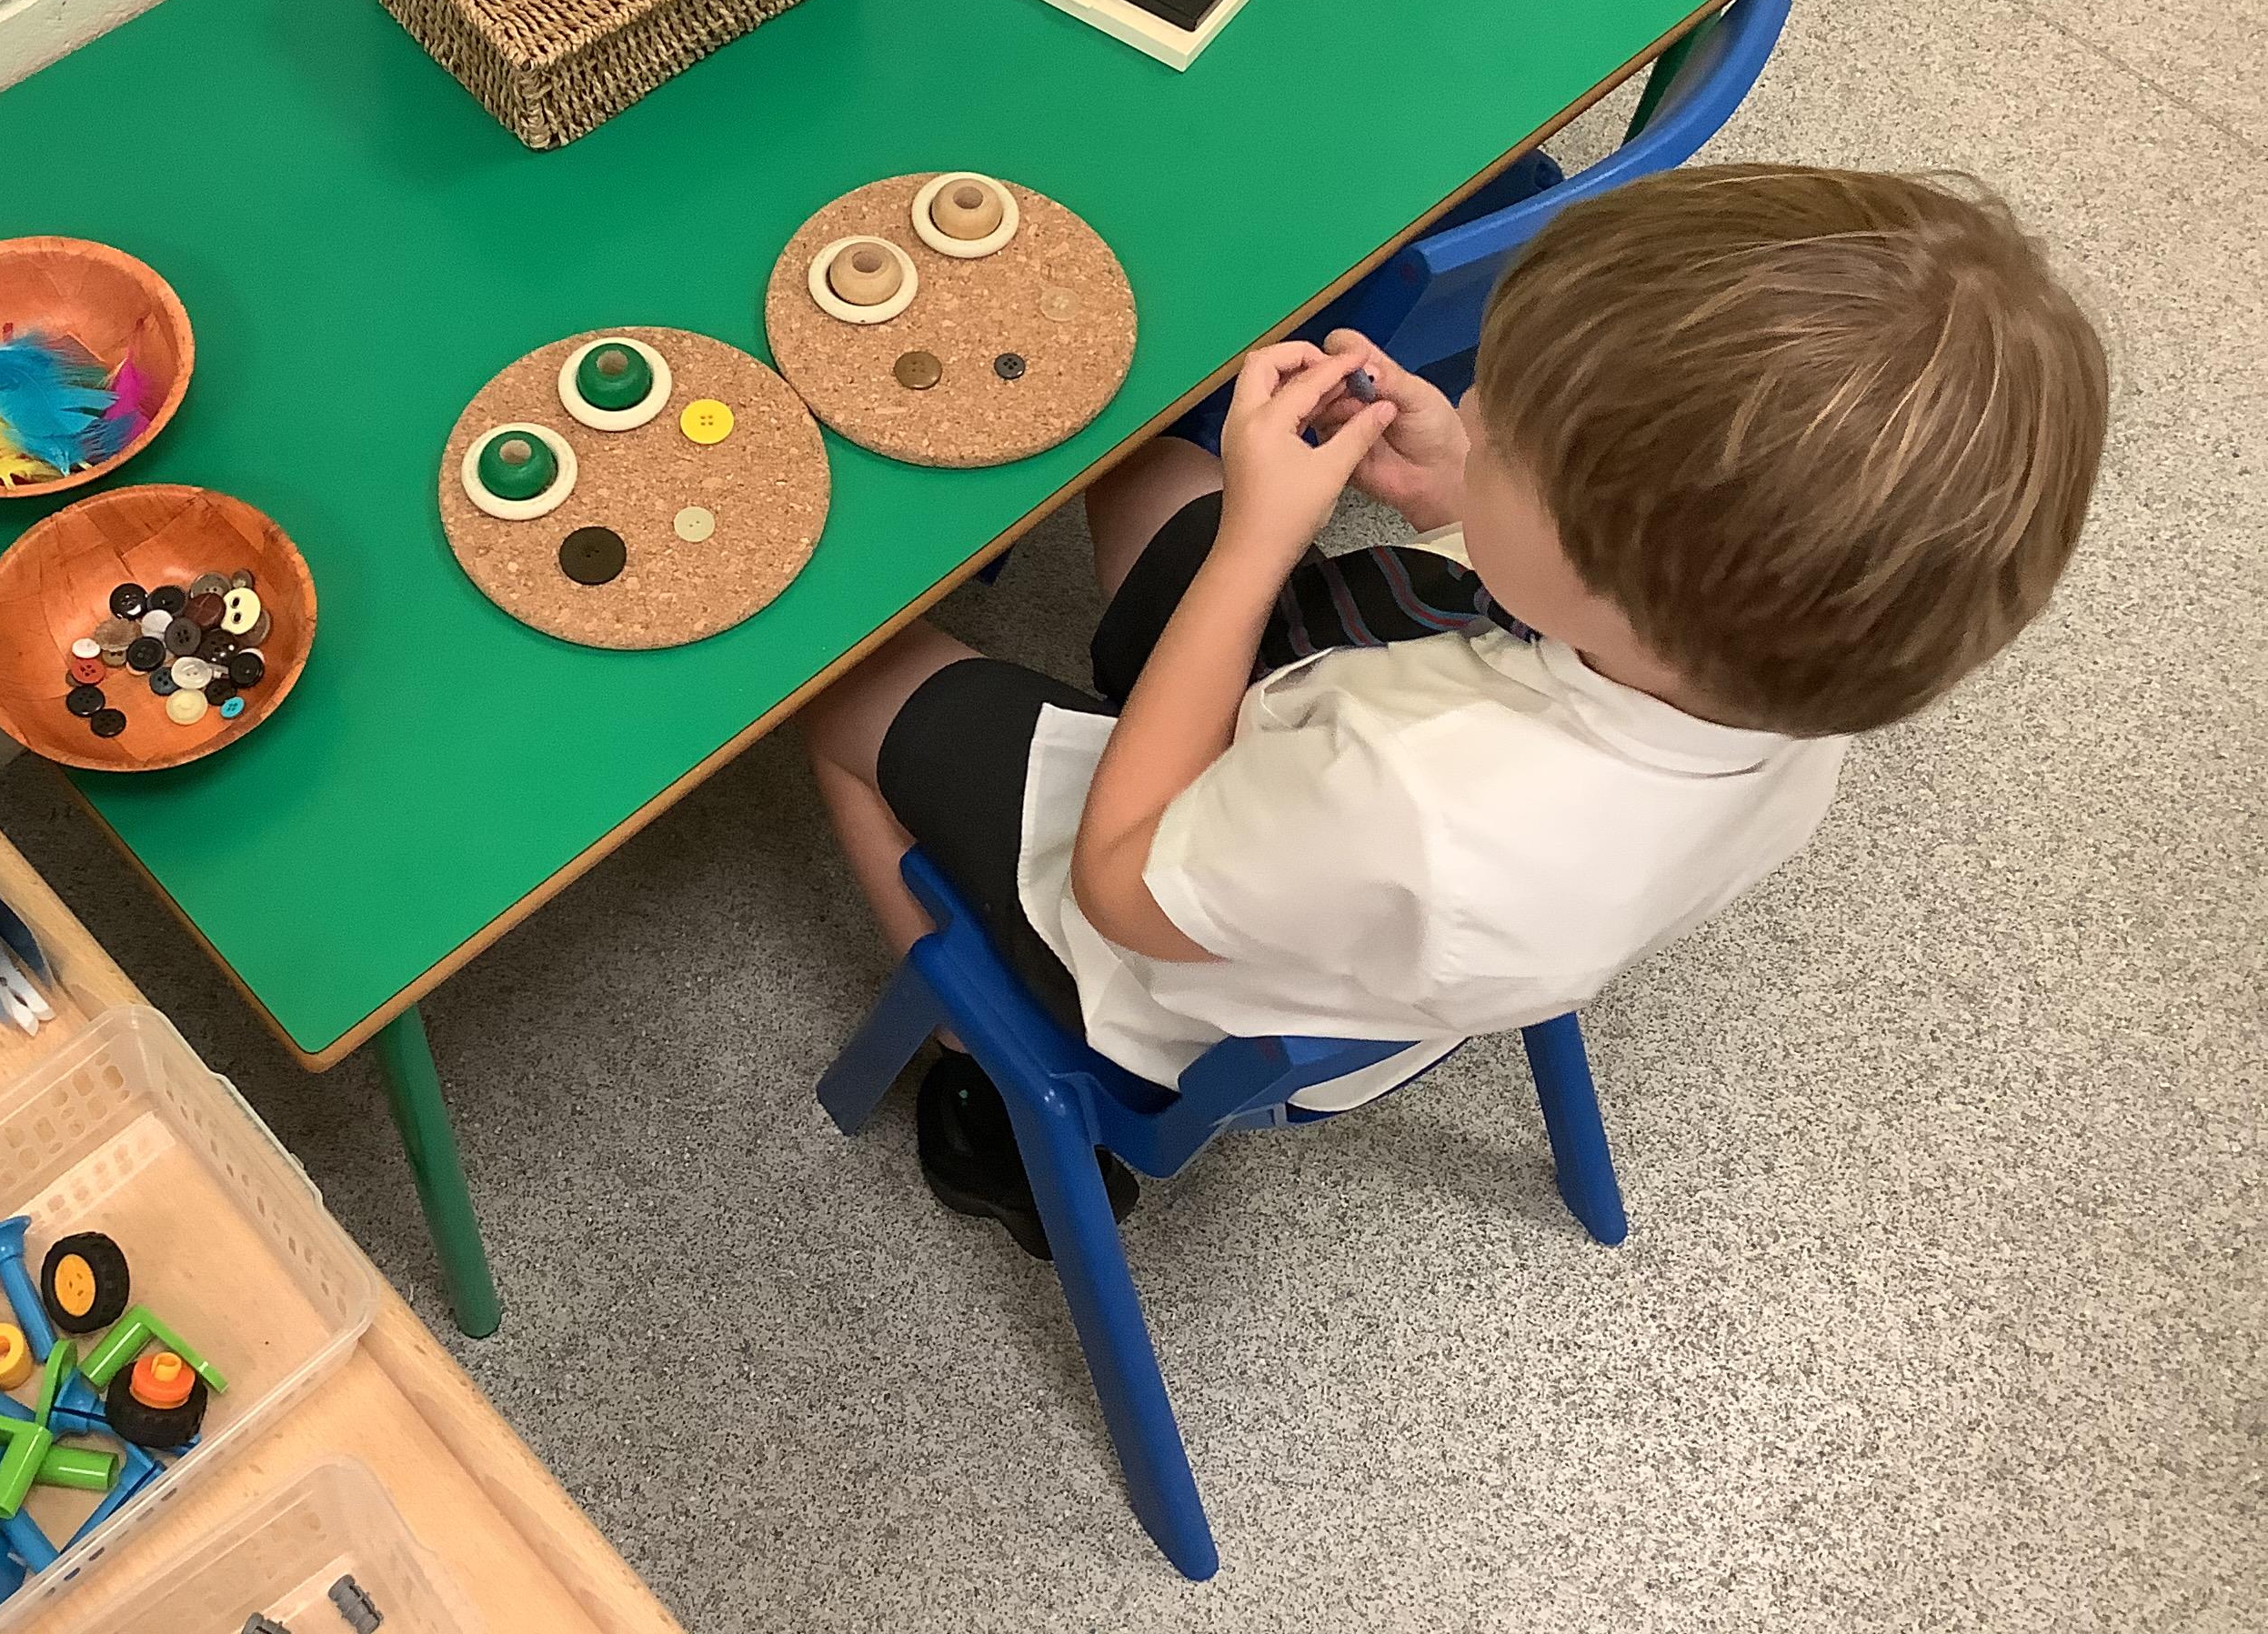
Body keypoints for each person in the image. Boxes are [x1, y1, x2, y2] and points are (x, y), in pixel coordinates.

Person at [800, 165, 2110, 1251]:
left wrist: (1257, 548)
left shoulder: (1415, 803)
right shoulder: (1781, 694)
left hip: (1160, 946)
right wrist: (1458, 495)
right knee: (1145, 467)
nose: (1471, 402)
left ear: (1608, 583)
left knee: (840, 685)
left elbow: (1119, 887)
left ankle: (989, 1078)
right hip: (1345, 827)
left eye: (1510, 439)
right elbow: (1573, 608)